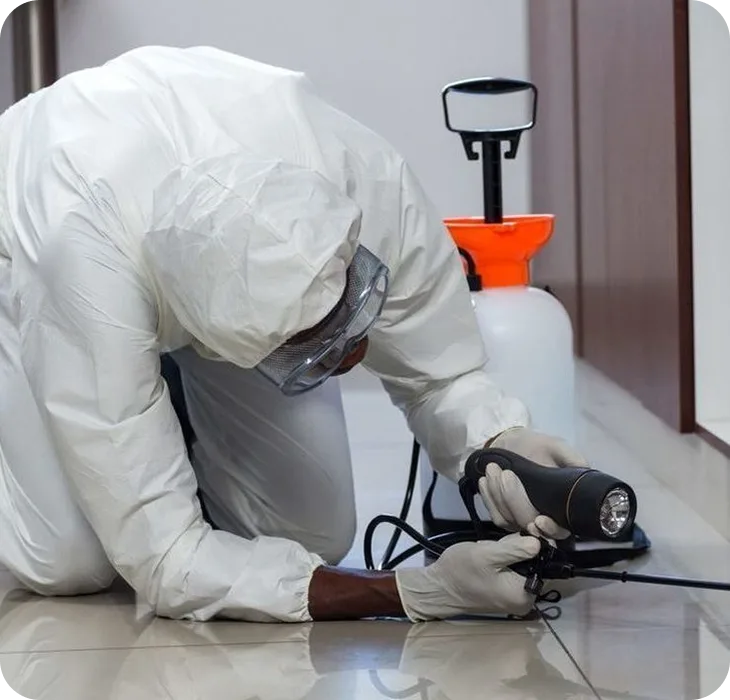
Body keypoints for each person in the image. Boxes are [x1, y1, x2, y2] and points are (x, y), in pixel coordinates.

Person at [0, 46, 587, 623]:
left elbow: (440, 374)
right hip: (29, 237)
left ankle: (162, 436)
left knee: (311, 536)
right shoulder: (83, 277)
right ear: (234, 345)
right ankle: (147, 417)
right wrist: (416, 592)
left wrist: (500, 439)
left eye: (353, 307)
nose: (357, 354)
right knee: (65, 561)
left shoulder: (358, 176)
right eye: (318, 350)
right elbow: (170, 563)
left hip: (169, 201)